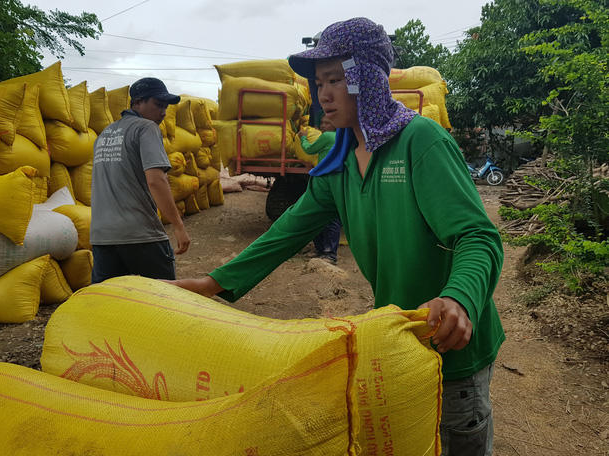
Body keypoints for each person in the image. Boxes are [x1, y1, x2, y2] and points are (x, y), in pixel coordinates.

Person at [169, 17, 504, 455]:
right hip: (401, 340)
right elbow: (289, 229)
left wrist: (460, 297)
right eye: (317, 81)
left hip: (455, 344)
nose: (321, 93)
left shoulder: (419, 141)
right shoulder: (341, 158)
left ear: (366, 77)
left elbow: (477, 236)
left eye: (334, 79)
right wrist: (216, 282)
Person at [90, 77, 191, 283]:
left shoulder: (104, 134)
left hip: (102, 236)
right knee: (163, 300)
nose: (163, 112)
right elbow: (156, 180)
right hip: (140, 234)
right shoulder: (146, 128)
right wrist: (179, 226)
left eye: (165, 107)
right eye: (158, 105)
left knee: (110, 303)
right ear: (137, 103)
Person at [298, 111, 341, 264]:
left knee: (330, 218)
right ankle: (322, 250)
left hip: (327, 181)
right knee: (323, 215)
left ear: (335, 124)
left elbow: (309, 150)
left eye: (327, 123)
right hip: (330, 179)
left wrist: (303, 136)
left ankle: (329, 254)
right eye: (322, 123)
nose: (323, 126)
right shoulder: (339, 137)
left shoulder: (328, 136)